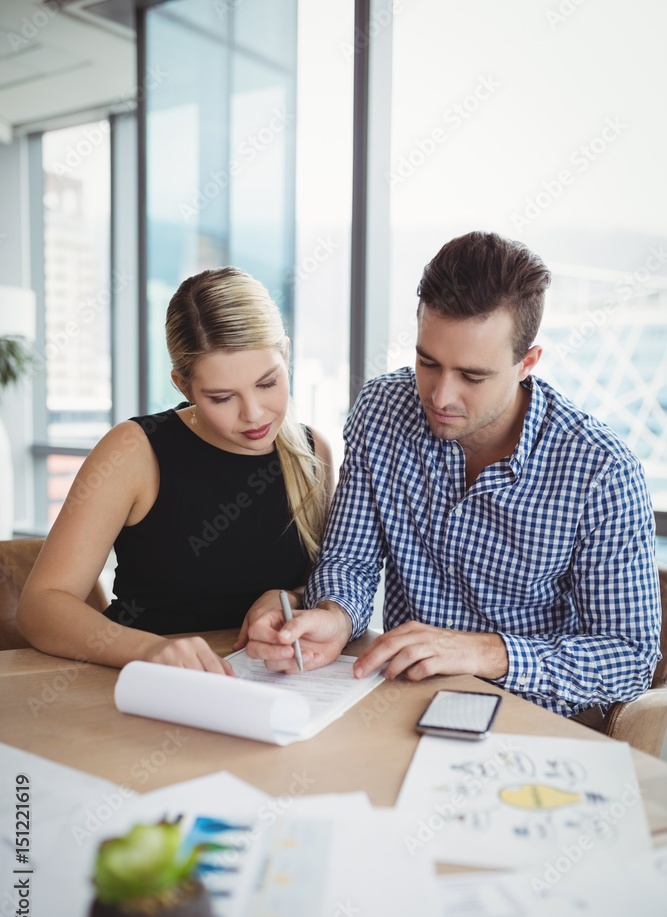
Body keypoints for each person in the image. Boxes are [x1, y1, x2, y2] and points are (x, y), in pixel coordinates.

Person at [246, 231, 662, 718]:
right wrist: (335, 615)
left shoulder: (601, 471)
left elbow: (630, 659)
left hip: (528, 718)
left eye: (472, 376)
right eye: (427, 362)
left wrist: (485, 651)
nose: (440, 397)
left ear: (527, 363)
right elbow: (351, 561)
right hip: (399, 702)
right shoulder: (382, 410)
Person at [18, 266, 332, 673]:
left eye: (267, 383)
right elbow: (41, 606)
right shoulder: (135, 450)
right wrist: (149, 652)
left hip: (271, 685)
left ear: (285, 355)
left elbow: (328, 581)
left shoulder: (311, 452)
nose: (253, 414)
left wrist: (290, 596)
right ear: (183, 386)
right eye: (221, 397)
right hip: (144, 686)